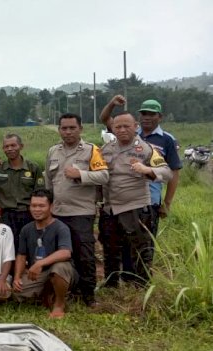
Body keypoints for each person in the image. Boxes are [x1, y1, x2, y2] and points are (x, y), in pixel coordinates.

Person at [44, 113, 108, 307]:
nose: (68, 132)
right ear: (59, 130)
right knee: (59, 254)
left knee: (85, 255)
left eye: (72, 128)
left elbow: (104, 176)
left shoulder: (91, 151)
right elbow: (49, 180)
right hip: (58, 213)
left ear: (81, 129)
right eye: (64, 128)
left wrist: (80, 174)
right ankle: (64, 291)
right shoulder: (53, 151)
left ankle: (88, 296)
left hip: (81, 212)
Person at [100, 112, 172, 286]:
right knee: (110, 247)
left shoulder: (147, 148)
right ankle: (111, 283)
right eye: (118, 127)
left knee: (139, 249)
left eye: (127, 126)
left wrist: (147, 170)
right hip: (110, 207)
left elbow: (167, 172)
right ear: (113, 129)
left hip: (135, 207)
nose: (122, 130)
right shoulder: (106, 149)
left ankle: (141, 284)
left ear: (136, 127)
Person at [100, 96, 182, 231]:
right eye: (144, 113)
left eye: (152, 114)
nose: (147, 117)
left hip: (151, 200)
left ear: (160, 117)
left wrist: (167, 203)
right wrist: (111, 104)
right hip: (121, 201)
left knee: (144, 244)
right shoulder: (127, 131)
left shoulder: (167, 139)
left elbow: (173, 172)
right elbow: (105, 119)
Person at [12, 189, 77, 319]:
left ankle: (59, 304)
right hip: (38, 274)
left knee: (58, 269)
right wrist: (17, 277)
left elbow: (66, 252)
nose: (37, 209)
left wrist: (40, 263)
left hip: (60, 271)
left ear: (51, 207)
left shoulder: (60, 227)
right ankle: (47, 295)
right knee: (17, 294)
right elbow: (21, 255)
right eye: (33, 206)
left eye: (41, 206)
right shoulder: (27, 229)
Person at [0, 133, 43, 251]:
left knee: (30, 248)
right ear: (3, 149)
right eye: (6, 146)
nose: (10, 149)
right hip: (7, 215)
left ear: (21, 146)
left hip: (28, 214)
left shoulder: (33, 168)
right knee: (7, 249)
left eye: (13, 145)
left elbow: (40, 193)